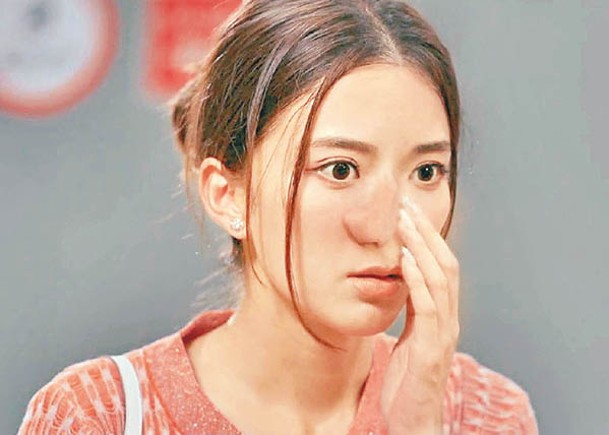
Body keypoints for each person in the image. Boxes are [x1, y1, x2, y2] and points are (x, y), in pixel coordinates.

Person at [19, 0, 538, 433]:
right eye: (340, 169)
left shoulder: (484, 416)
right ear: (228, 195)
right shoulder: (101, 415)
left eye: (426, 172)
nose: (387, 227)